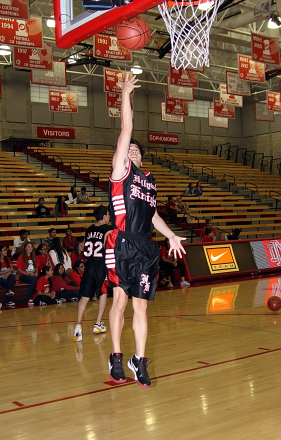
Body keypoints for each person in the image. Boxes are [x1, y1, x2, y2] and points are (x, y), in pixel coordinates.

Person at [105, 73, 186, 387]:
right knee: (121, 301)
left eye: (138, 150)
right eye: (130, 150)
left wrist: (170, 235)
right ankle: (115, 355)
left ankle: (138, 360)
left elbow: (152, 215)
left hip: (145, 246)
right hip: (121, 242)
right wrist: (125, 94)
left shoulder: (148, 181)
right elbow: (127, 129)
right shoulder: (119, 172)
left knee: (141, 305)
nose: (134, 151)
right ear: (123, 155)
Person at [73, 205, 112, 342]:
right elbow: (107, 243)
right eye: (107, 214)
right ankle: (98, 323)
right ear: (104, 216)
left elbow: (84, 245)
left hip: (89, 264)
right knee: (103, 292)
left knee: (84, 295)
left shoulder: (89, 229)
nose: (109, 216)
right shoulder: (107, 229)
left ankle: (78, 324)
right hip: (101, 264)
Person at [17, 242, 38, 306]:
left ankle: (39, 296)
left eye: (31, 247)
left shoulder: (34, 256)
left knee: (41, 278)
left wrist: (36, 272)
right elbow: (19, 270)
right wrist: (29, 274)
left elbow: (36, 267)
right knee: (33, 279)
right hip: (23, 275)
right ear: (25, 248)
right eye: (28, 246)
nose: (30, 248)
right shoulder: (21, 257)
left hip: (33, 275)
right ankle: (30, 298)